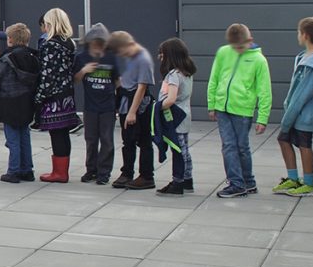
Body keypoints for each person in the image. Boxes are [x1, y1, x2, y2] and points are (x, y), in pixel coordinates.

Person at [206, 23, 273, 197]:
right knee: (229, 146)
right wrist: (211, 104)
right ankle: (236, 183)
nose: (238, 50)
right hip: (222, 108)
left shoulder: (259, 60)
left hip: (243, 110)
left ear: (250, 40)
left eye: (241, 47)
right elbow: (214, 78)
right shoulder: (223, 52)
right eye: (234, 47)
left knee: (242, 147)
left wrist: (262, 118)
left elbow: (264, 90)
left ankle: (248, 181)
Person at [274, 17, 313, 196]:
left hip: (304, 114)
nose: (297, 35)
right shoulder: (304, 57)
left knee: (304, 145)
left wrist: (288, 117)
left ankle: (308, 184)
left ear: (305, 36)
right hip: (297, 112)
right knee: (284, 140)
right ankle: (293, 179)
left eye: (299, 32)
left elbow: (302, 95)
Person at [0, 24, 43, 182]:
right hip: (27, 101)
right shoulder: (34, 57)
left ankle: (13, 171)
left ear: (10, 39)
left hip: (9, 101)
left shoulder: (6, 58)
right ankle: (27, 169)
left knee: (12, 138)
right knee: (24, 135)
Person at [32, 8, 79, 182]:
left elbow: (47, 73)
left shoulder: (49, 44)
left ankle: (59, 173)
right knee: (64, 133)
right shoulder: (70, 43)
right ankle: (62, 171)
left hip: (53, 96)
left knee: (56, 133)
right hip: (67, 93)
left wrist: (39, 96)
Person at [151, 37, 198, 195]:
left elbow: (170, 99)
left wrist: (156, 108)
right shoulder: (187, 73)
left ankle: (177, 181)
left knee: (178, 149)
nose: (160, 58)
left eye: (162, 55)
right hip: (185, 115)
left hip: (175, 117)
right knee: (184, 148)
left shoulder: (173, 75)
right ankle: (187, 179)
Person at [111, 30, 157, 189]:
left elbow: (142, 87)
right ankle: (127, 172)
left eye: (122, 51)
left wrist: (132, 111)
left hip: (139, 107)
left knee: (143, 141)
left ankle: (146, 176)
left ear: (128, 45)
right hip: (126, 102)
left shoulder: (143, 59)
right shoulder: (131, 58)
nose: (122, 55)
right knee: (127, 141)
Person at [76, 25, 117, 183]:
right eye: (95, 44)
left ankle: (104, 172)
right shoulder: (82, 57)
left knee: (107, 140)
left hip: (107, 106)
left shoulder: (111, 58)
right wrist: (84, 71)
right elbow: (76, 79)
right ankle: (91, 170)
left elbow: (117, 80)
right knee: (91, 139)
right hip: (90, 106)